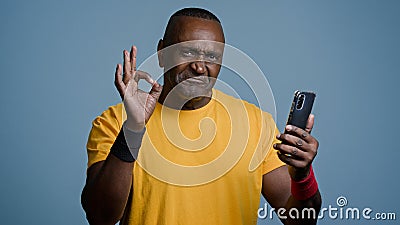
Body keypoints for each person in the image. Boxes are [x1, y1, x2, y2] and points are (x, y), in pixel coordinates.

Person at [81, 7, 322, 225]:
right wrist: (133, 129)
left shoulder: (255, 124)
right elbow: (100, 216)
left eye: (213, 57)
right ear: (162, 53)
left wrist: (302, 175)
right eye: (188, 52)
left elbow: (301, 221)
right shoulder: (114, 121)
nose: (200, 66)